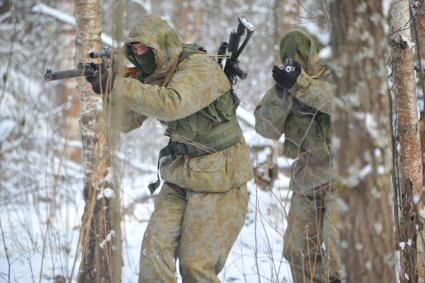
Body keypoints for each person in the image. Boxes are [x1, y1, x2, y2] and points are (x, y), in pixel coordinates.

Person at [86, 15, 253, 282]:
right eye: (135, 49)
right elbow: (125, 122)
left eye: (144, 48)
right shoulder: (153, 76)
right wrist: (106, 90)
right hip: (180, 175)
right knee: (154, 252)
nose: (139, 54)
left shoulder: (198, 67)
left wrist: (119, 84)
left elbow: (171, 104)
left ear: (161, 46)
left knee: (196, 266)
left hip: (220, 177)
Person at [254, 30, 341, 282]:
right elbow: (265, 128)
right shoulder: (286, 85)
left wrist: (300, 85)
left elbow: (339, 103)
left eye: (300, 56)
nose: (295, 61)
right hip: (307, 178)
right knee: (297, 249)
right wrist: (281, 94)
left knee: (337, 246)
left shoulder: (334, 74)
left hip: (344, 176)